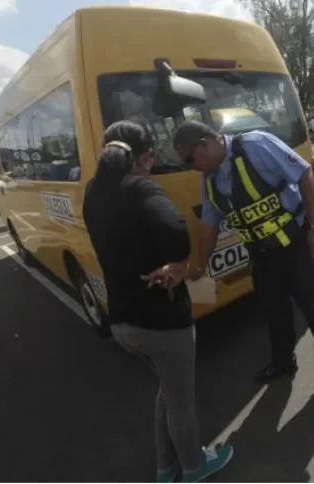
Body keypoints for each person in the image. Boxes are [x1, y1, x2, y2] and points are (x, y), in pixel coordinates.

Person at [82, 120, 234, 483]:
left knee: (167, 391)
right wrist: (179, 263)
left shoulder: (92, 191)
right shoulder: (141, 189)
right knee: (181, 403)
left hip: (121, 320)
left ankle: (166, 469)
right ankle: (196, 468)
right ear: (147, 157)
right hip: (162, 321)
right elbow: (178, 235)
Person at [172, 120, 314, 403]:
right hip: (262, 256)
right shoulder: (209, 180)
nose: (193, 167)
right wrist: (200, 267)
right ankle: (283, 362)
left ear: (205, 143)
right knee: (275, 315)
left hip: (298, 246)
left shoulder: (255, 145)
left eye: (192, 159)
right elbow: (209, 227)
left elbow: (304, 176)